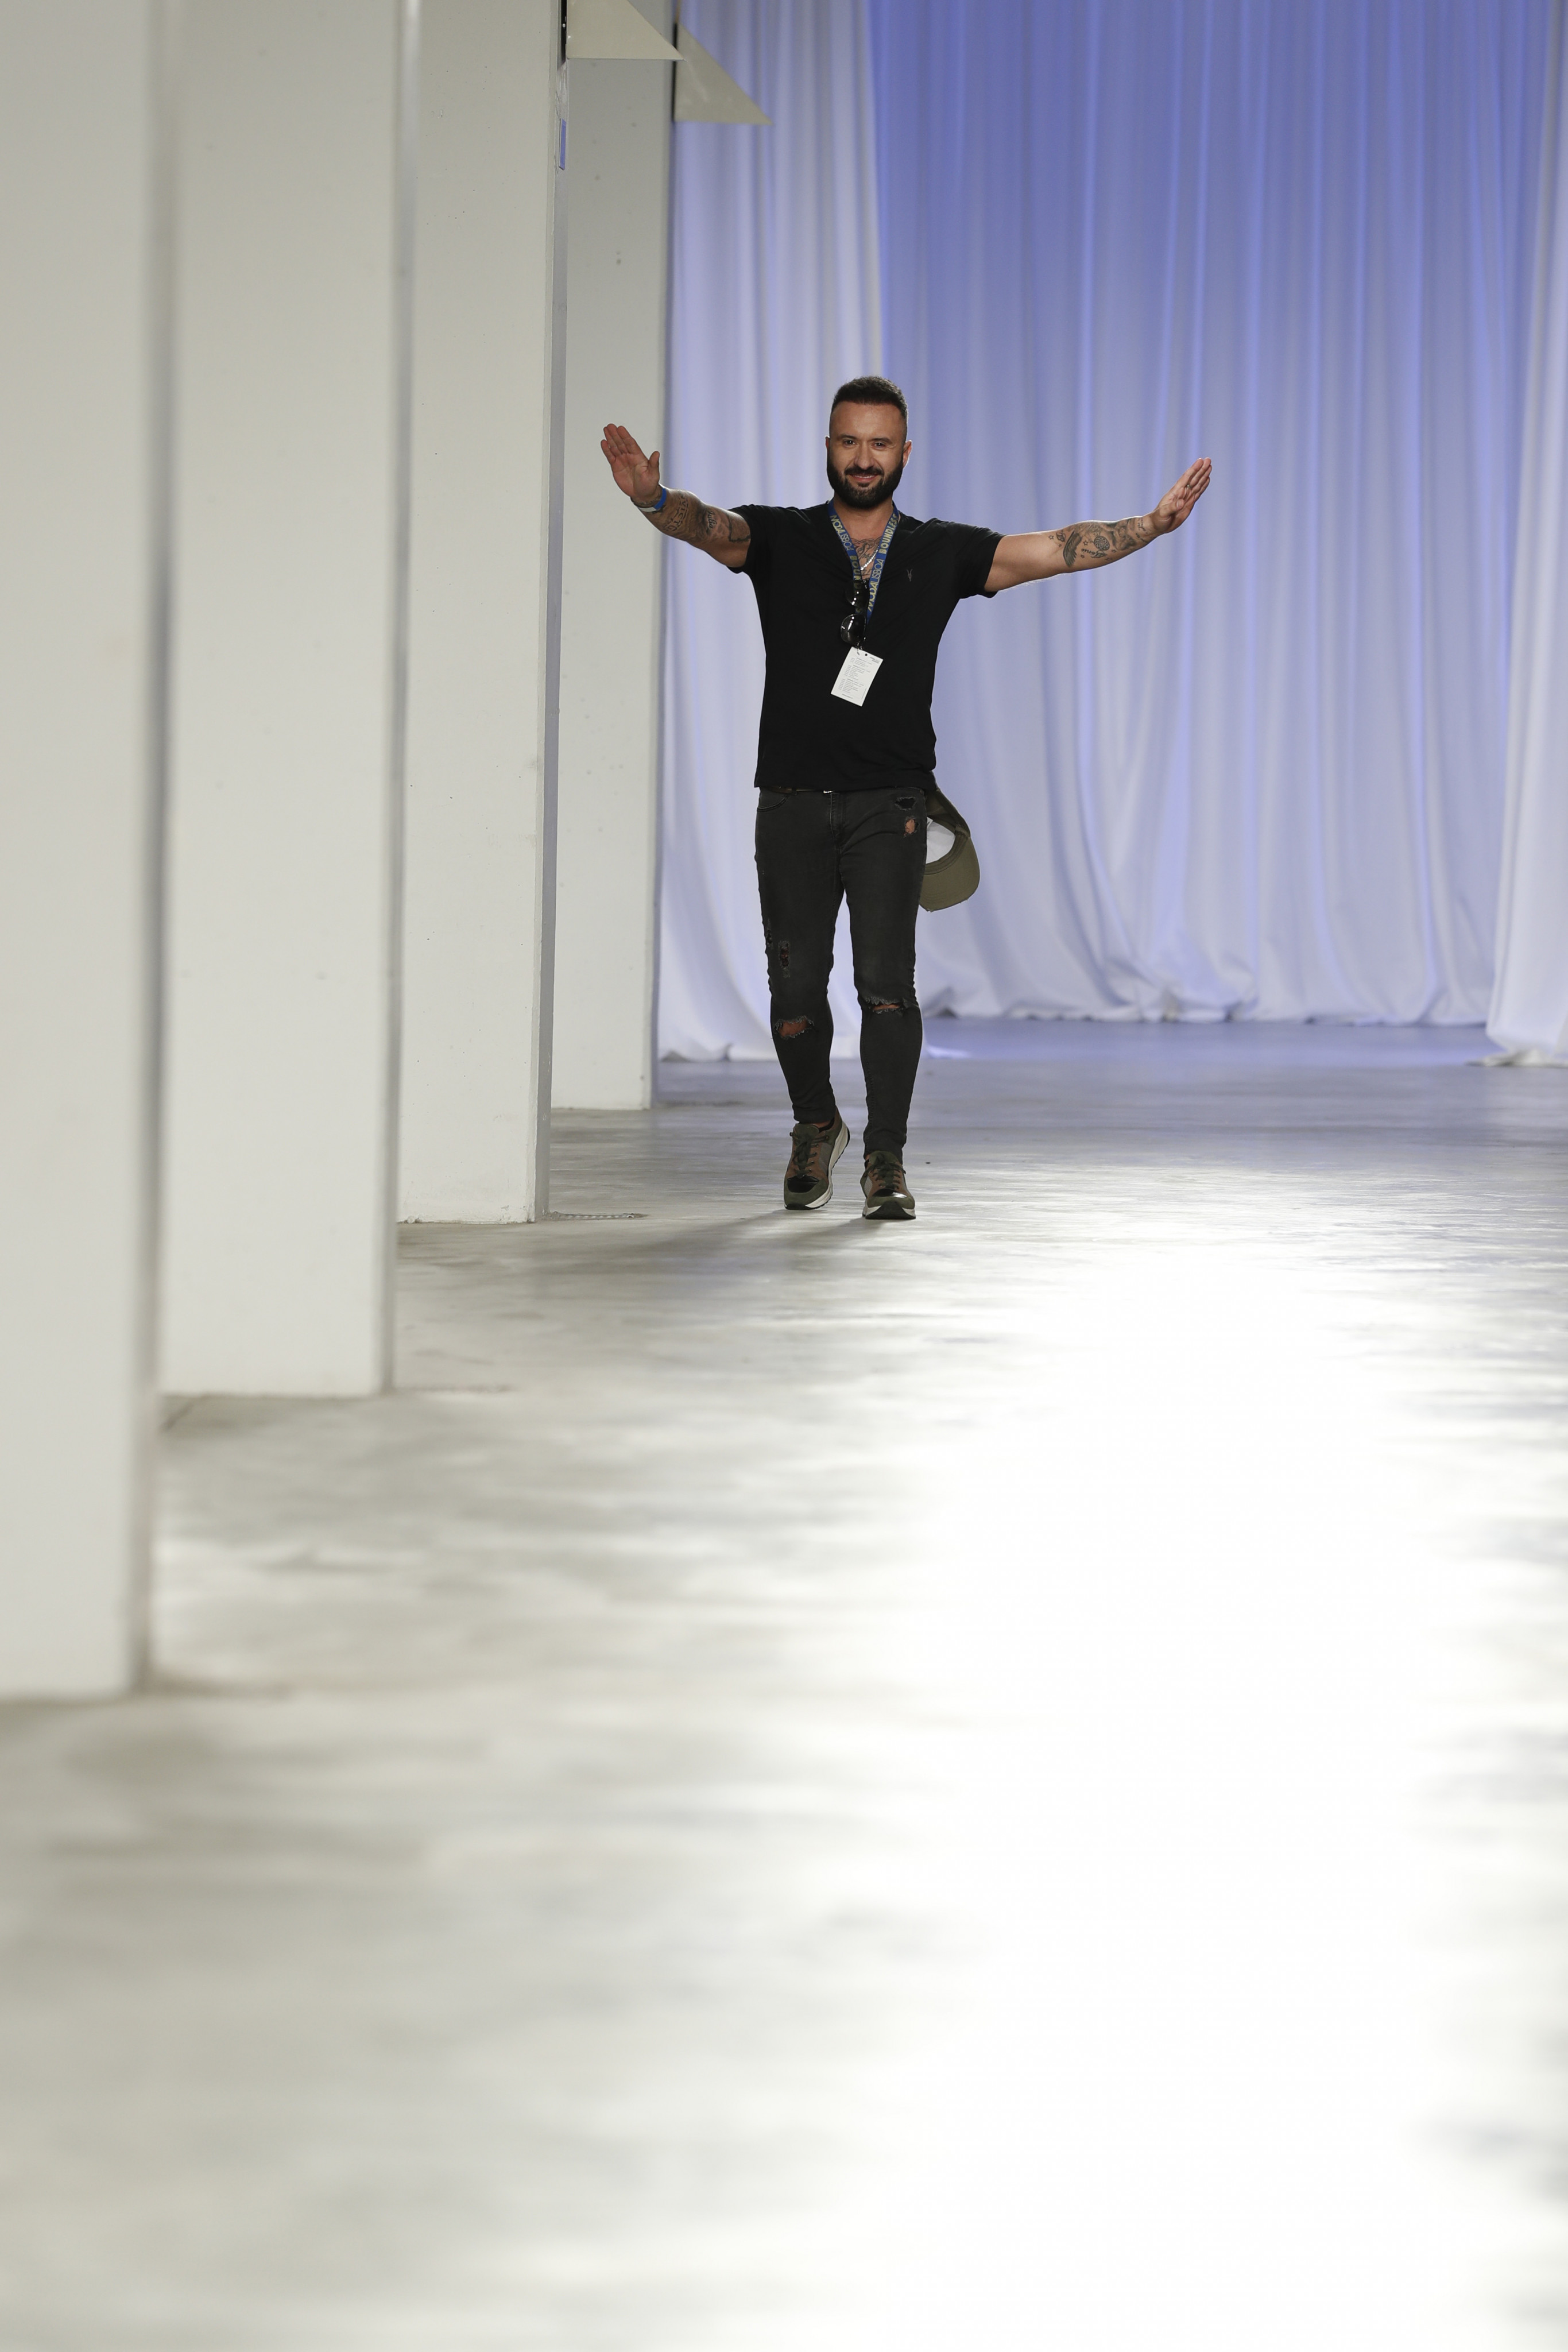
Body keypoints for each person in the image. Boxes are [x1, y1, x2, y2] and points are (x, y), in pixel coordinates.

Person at [601, 378, 1210, 1221]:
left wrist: (1148, 525)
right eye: (849, 442)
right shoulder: (780, 538)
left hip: (890, 805)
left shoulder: (938, 552)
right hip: (791, 801)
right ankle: (816, 1125)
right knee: (795, 994)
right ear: (829, 447)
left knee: (887, 987)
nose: (864, 459)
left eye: (879, 444)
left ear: (904, 454)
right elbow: (709, 526)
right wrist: (653, 498)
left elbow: (1053, 549)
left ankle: (886, 1157)